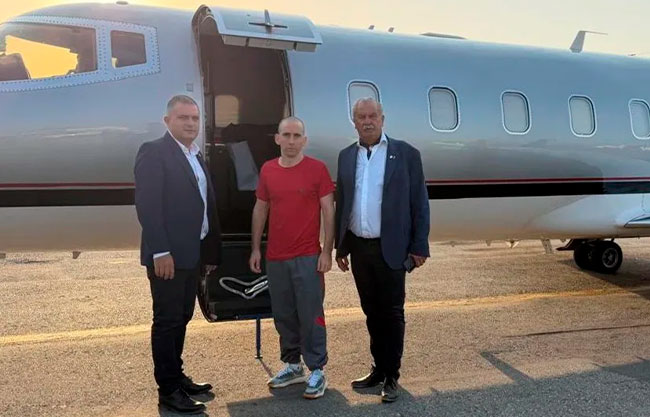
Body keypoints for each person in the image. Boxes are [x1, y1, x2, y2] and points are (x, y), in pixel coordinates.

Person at [335, 98, 430, 402]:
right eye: (361, 117)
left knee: (392, 313)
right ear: (354, 122)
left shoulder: (406, 154)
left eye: (372, 116)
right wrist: (341, 246)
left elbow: (419, 203)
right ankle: (378, 369)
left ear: (382, 119)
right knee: (371, 311)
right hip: (359, 247)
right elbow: (343, 202)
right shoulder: (346, 156)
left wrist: (419, 245)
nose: (367, 121)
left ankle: (392, 375)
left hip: (391, 247)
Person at [134, 94, 222, 414]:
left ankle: (177, 375)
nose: (190, 123)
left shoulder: (195, 155)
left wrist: (208, 251)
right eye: (183, 117)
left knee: (182, 317)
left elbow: (204, 205)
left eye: (195, 118)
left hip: (191, 254)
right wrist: (160, 251)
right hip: (168, 257)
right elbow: (148, 206)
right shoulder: (154, 152)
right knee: (167, 321)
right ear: (167, 121)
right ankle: (168, 390)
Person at [249, 116, 335, 400]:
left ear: (304, 141)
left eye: (297, 136)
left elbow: (328, 211)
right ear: (277, 139)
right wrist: (256, 248)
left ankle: (317, 369)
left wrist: (326, 251)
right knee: (284, 314)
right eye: (286, 135)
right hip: (276, 257)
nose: (291, 141)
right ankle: (293, 365)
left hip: (308, 257)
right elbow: (261, 209)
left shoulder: (317, 169)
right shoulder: (268, 170)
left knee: (310, 315)